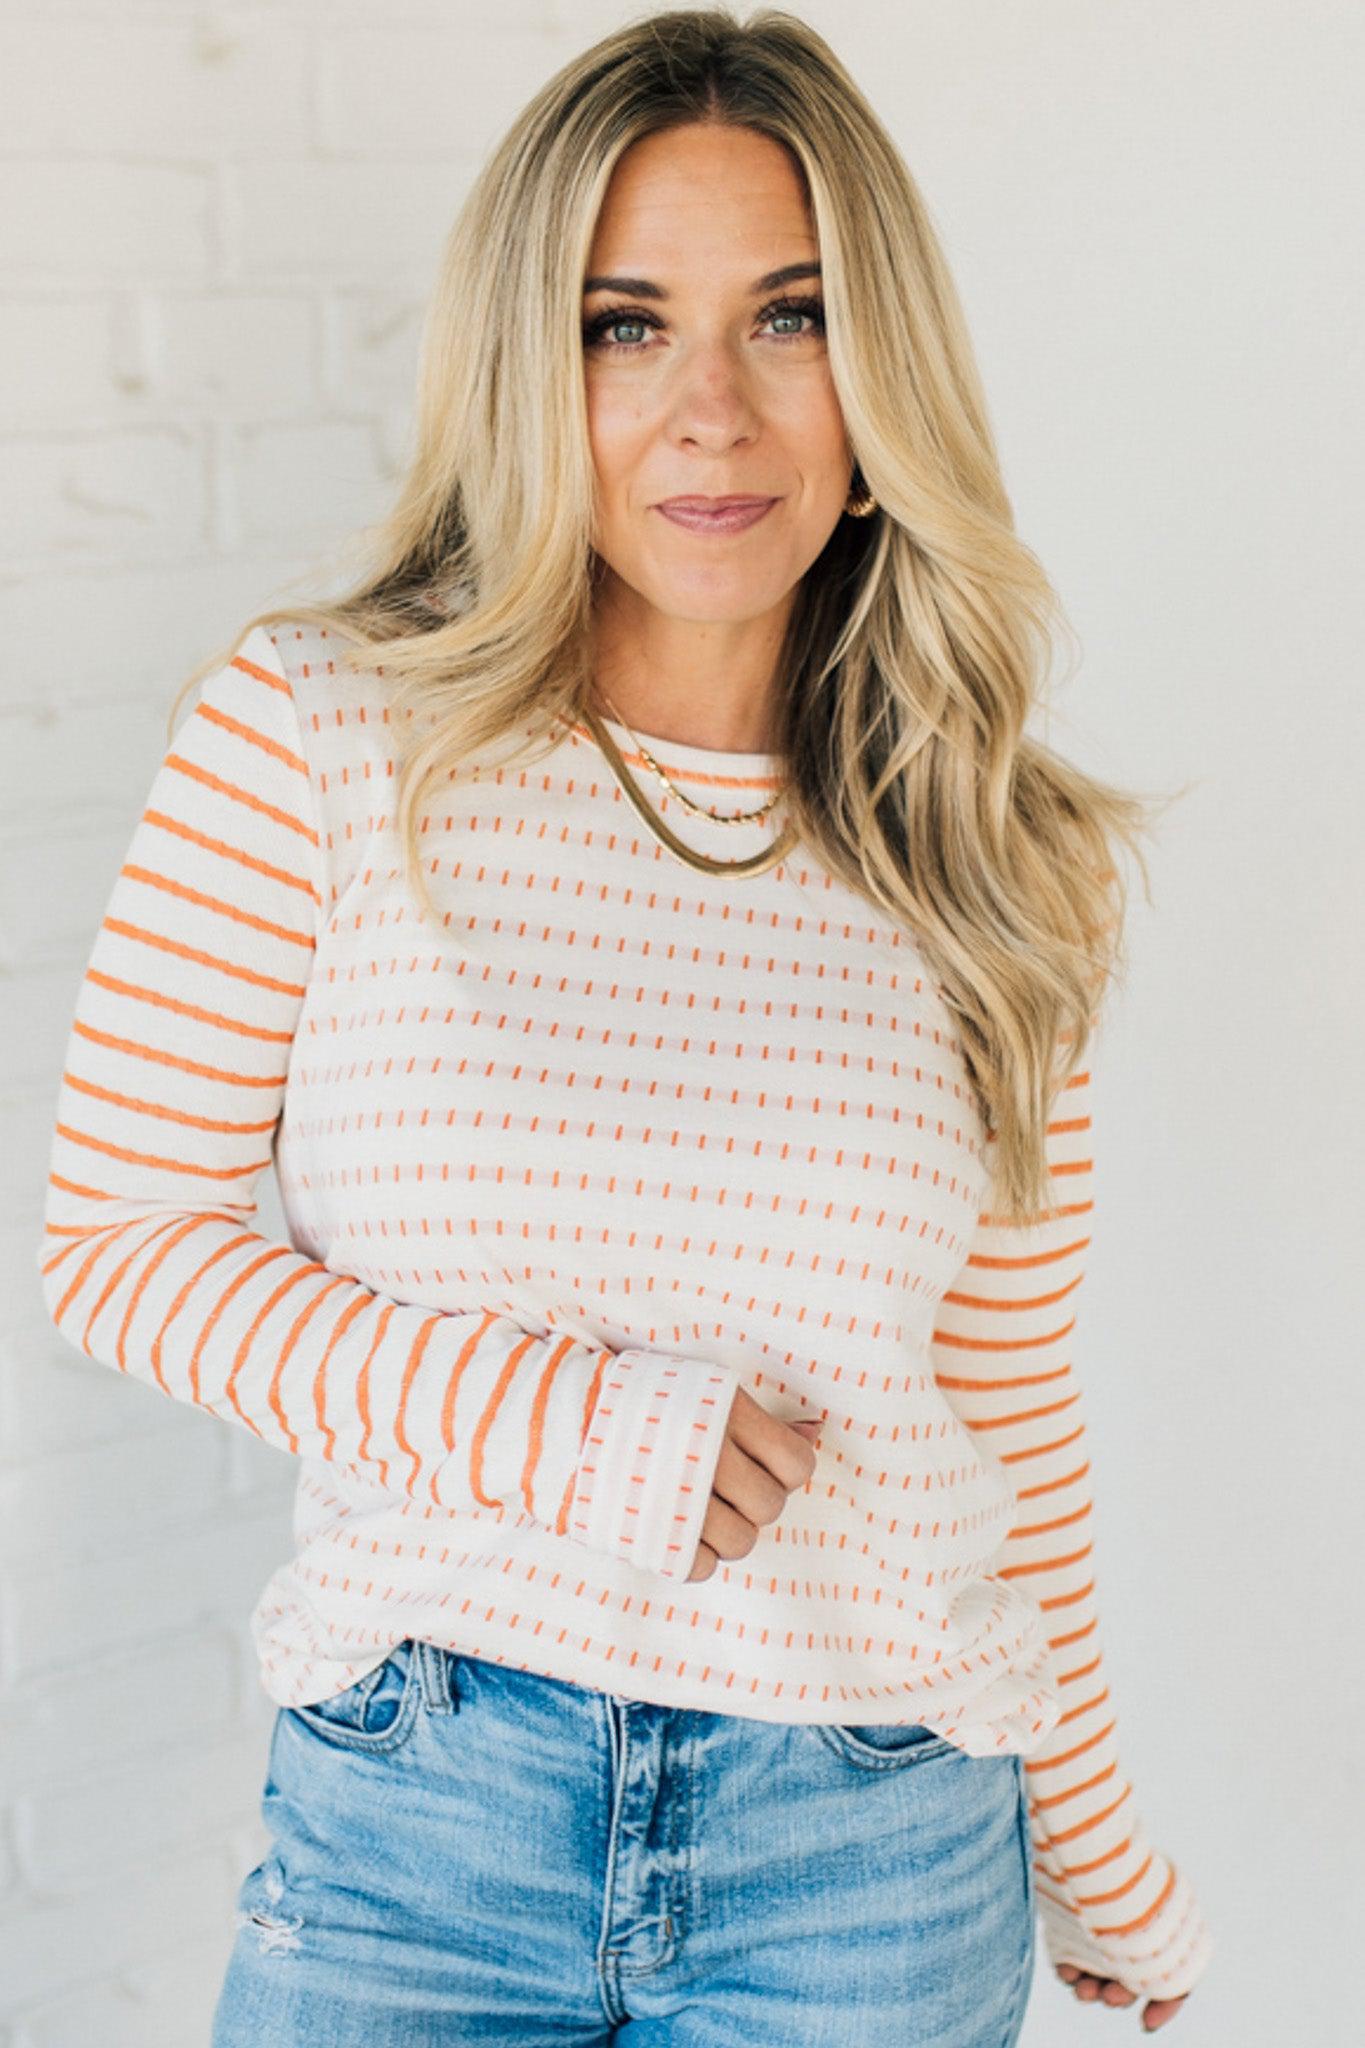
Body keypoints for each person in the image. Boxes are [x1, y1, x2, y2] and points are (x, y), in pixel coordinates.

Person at [36, 8, 1212, 2043]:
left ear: (879, 367)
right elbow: (115, 1249)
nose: (707, 412)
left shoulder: (1000, 858)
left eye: (785, 316)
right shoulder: (312, 736)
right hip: (421, 1833)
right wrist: (583, 1427)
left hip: (871, 1855)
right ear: (526, 359)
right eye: (618, 323)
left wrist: (1098, 1851)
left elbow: (1007, 1420)